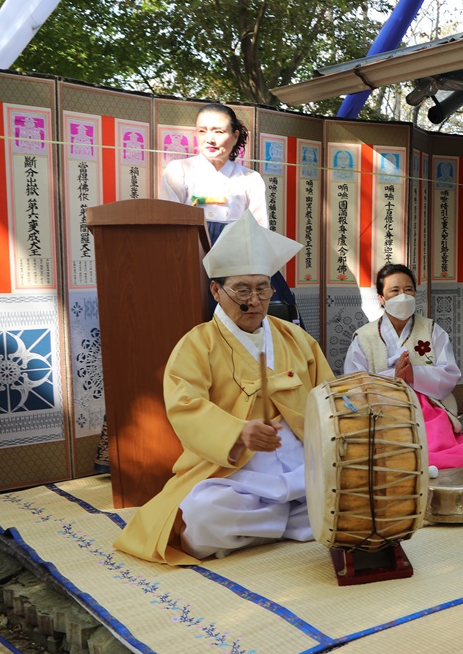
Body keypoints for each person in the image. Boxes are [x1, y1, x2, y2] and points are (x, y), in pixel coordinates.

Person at [114, 217, 333, 565]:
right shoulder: (197, 345)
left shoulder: (297, 340)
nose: (255, 301)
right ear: (216, 291)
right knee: (202, 516)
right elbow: (185, 407)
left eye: (262, 289)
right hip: (237, 474)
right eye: (242, 290)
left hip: (302, 466)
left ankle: (274, 524)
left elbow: (328, 397)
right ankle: (294, 523)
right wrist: (240, 433)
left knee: (361, 487)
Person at [158, 103, 299, 324]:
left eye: (218, 131)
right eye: (202, 131)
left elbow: (259, 229)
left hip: (240, 257)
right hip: (190, 256)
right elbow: (168, 221)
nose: (209, 139)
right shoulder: (179, 170)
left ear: (234, 136)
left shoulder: (249, 178)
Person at [344, 264, 463, 469]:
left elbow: (449, 374)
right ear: (381, 298)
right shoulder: (364, 337)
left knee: (431, 434)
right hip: (381, 408)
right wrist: (392, 378)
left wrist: (414, 374)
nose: (402, 296)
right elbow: (354, 384)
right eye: (394, 291)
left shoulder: (432, 330)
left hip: (426, 405)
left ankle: (424, 457)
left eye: (408, 290)